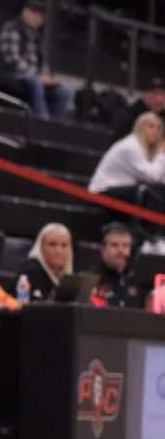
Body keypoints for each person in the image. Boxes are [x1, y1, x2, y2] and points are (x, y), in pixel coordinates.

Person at [88, 111, 165, 245]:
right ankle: (151, 239)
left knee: (155, 191)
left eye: (159, 128)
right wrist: (161, 153)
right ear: (140, 127)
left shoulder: (145, 150)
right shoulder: (131, 146)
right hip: (103, 191)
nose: (156, 131)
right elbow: (152, 177)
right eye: (151, 126)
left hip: (123, 190)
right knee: (152, 191)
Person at [0, 0, 71, 120]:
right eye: (35, 13)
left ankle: (55, 126)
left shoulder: (37, 37)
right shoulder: (12, 28)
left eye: (41, 15)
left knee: (63, 92)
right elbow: (13, 59)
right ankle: (42, 121)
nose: (38, 18)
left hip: (33, 75)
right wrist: (38, 76)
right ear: (25, 12)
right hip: (11, 73)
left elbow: (43, 61)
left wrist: (46, 76)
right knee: (36, 83)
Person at [89, 222, 143, 309]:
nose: (121, 250)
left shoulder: (135, 280)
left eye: (125, 245)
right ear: (103, 249)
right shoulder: (92, 281)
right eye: (114, 245)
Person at [17, 222, 74, 302]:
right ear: (40, 247)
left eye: (64, 245)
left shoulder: (70, 280)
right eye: (52, 244)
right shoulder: (29, 272)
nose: (58, 251)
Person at [111, 77, 165, 144]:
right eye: (154, 94)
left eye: (162, 94)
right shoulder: (131, 116)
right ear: (145, 95)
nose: (158, 100)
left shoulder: (163, 116)